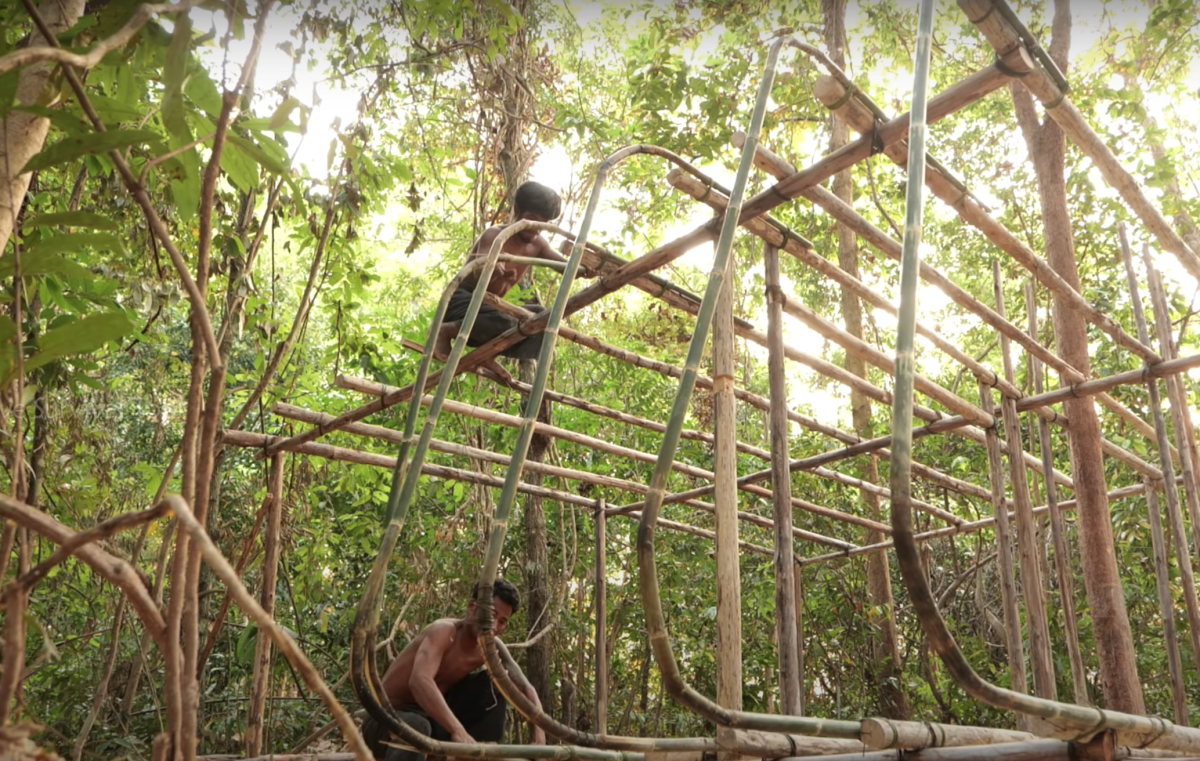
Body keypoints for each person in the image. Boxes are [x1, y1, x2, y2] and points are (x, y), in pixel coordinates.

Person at [361, 579, 546, 761]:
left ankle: (475, 752)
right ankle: (457, 742)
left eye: (503, 621)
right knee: (417, 726)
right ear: (472, 607)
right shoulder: (444, 631)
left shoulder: (492, 648)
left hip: (433, 719)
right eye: (492, 614)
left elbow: (525, 688)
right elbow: (419, 681)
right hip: (386, 719)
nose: (495, 626)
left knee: (496, 684)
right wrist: (457, 730)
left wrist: (539, 739)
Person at [432, 181, 593, 383]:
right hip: (463, 303)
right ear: (517, 212)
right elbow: (480, 265)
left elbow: (566, 268)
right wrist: (493, 268)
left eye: (541, 223)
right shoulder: (495, 235)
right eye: (531, 219)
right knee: (505, 321)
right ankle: (446, 330)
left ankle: (488, 354)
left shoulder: (538, 245)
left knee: (542, 321)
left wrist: (586, 270)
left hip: (489, 314)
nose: (534, 228)